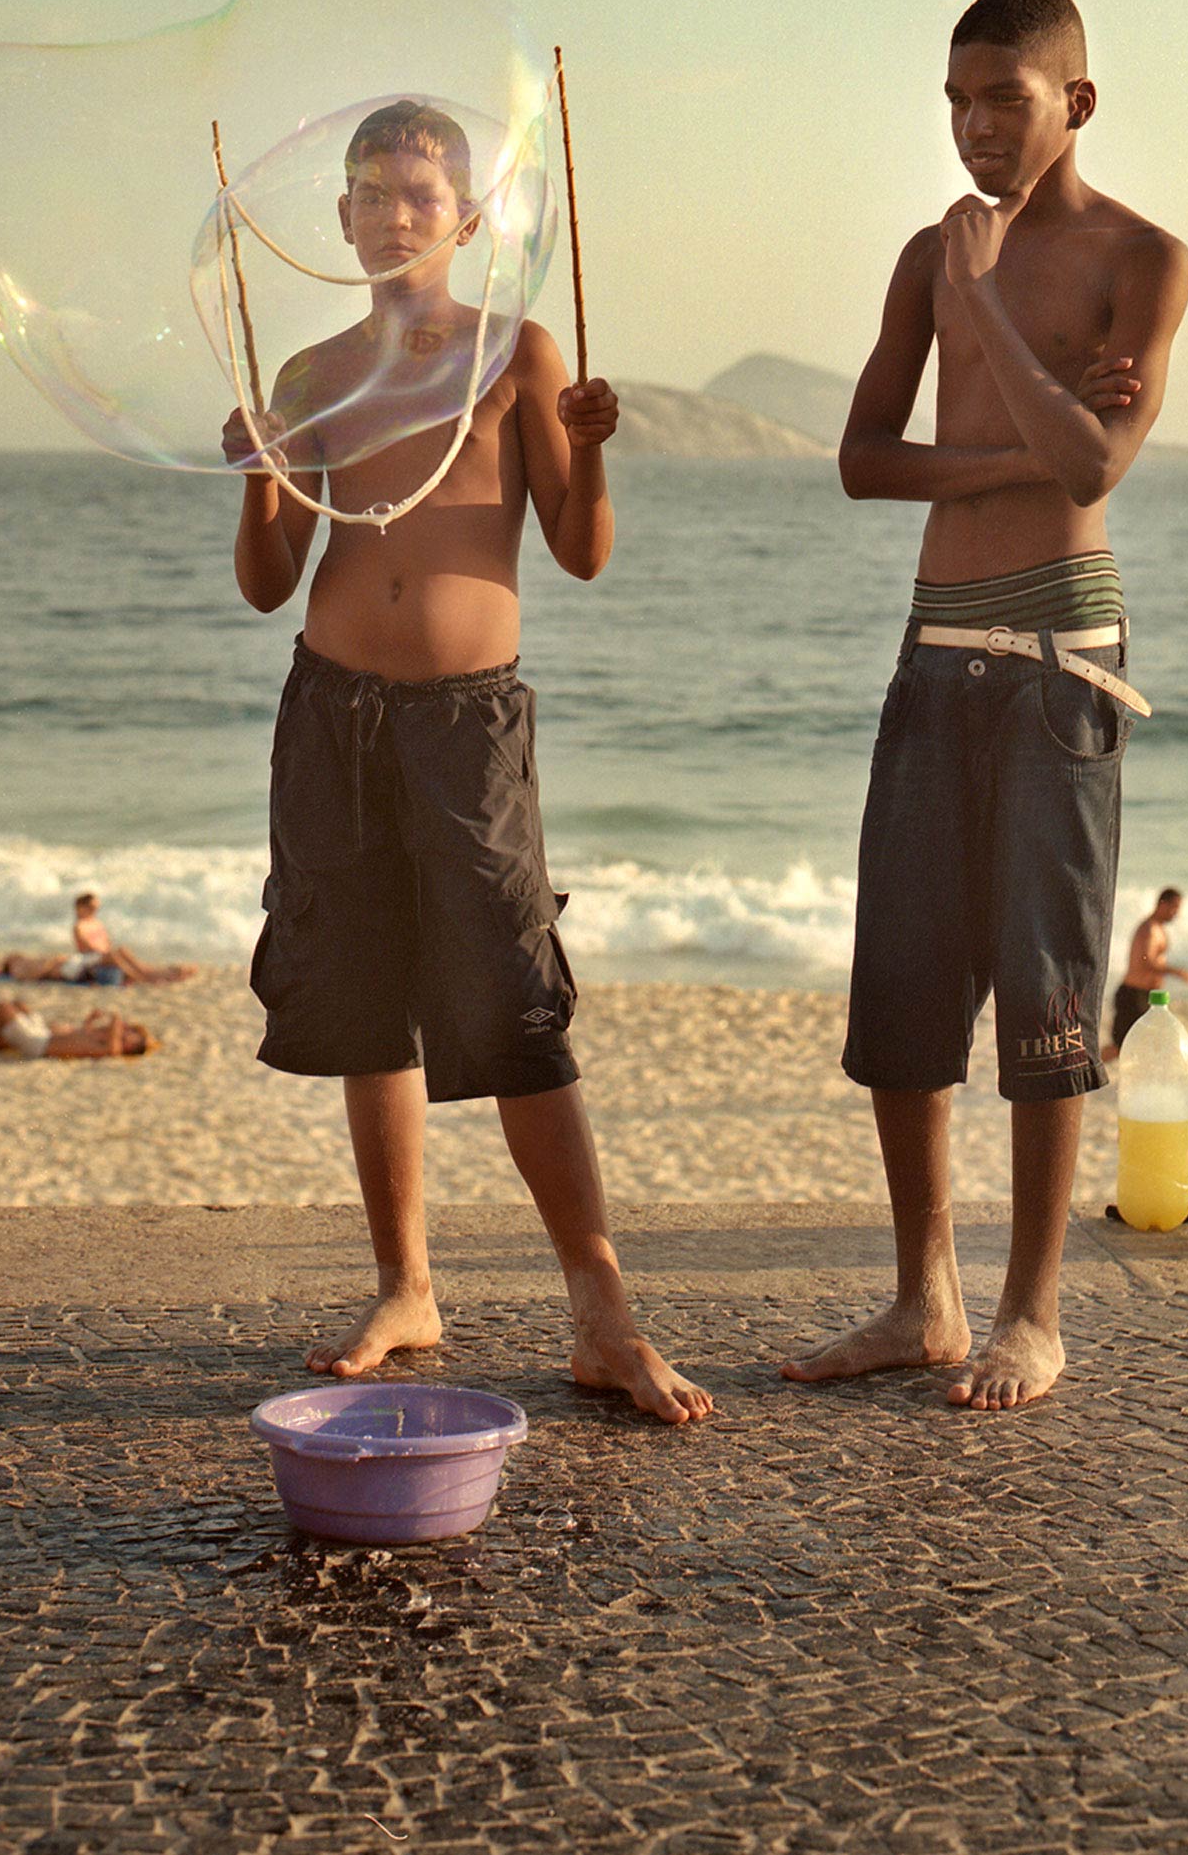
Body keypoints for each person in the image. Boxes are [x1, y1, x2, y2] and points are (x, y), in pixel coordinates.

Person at [223, 98, 710, 1426]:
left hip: (467, 722)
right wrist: (261, 476)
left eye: (422, 196)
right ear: (341, 218)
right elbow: (268, 581)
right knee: (366, 1001)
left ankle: (603, 1312)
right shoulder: (311, 377)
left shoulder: (516, 352)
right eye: (374, 195)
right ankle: (406, 1285)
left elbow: (581, 550)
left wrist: (592, 457)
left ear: (469, 217)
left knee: (513, 1005)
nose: (397, 216)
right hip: (332, 710)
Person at [782, 0, 1188, 1412]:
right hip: (934, 643)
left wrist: (985, 309)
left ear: (1076, 100)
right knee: (902, 979)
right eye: (956, 100)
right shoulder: (925, 255)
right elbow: (863, 459)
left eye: (1003, 99)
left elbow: (1096, 467)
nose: (973, 126)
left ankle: (1032, 1313)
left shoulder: (1142, 257)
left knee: (1049, 983)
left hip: (1059, 659)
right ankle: (924, 1298)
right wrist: (1026, 426)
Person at [1107, 887, 1188, 1056]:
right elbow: (1146, 961)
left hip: (1146, 996)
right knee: (1120, 1048)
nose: (1176, 913)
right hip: (1133, 995)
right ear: (1162, 904)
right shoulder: (1149, 929)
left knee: (1143, 1047)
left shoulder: (1159, 928)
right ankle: (1091, 1068)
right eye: (1174, 907)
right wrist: (1176, 972)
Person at [0, 1002, 157, 1062]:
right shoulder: (102, 1039)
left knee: (3, 1008)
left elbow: (113, 1047)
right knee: (18, 1004)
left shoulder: (111, 1047)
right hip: (44, 1034)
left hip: (41, 1044)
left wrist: (117, 1020)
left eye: (130, 1035)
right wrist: (91, 1022)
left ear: (130, 1045)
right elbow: (78, 1036)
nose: (125, 1031)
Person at [70, 891, 195, 985]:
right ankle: (141, 978)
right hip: (87, 957)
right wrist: (104, 951)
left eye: (95, 908)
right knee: (113, 954)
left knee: (122, 950)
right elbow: (86, 946)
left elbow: (106, 942)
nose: (94, 911)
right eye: (91, 908)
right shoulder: (79, 926)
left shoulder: (96, 922)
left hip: (102, 954)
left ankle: (151, 972)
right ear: (81, 907)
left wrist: (106, 950)